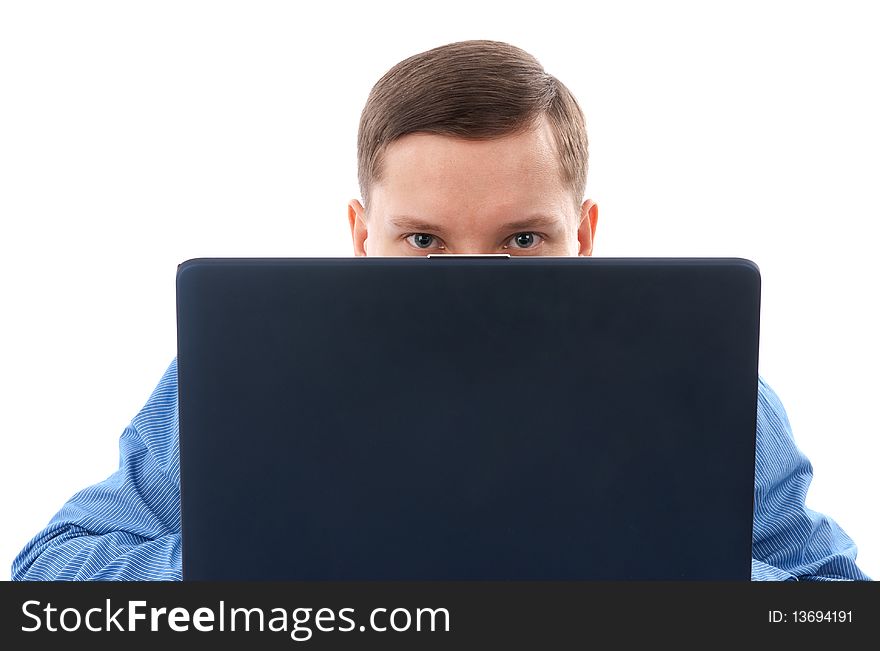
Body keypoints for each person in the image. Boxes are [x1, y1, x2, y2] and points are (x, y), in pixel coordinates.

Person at [12, 40, 870, 581]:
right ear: (361, 235)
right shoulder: (245, 383)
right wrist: (258, 565)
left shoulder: (703, 392)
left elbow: (835, 609)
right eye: (424, 241)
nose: (471, 283)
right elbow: (46, 580)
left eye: (522, 241)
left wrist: (676, 575)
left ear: (585, 233)